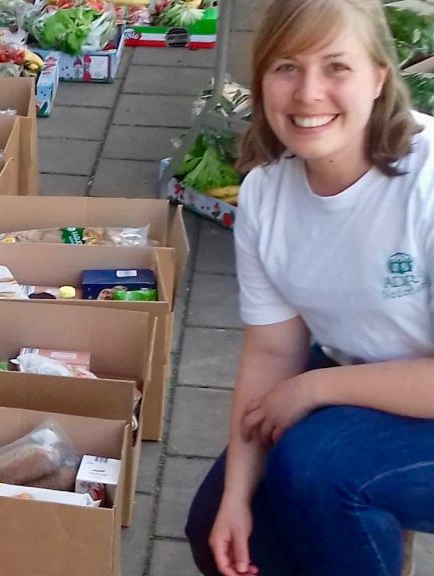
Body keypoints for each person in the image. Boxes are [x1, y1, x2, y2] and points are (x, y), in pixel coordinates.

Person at [183, 0, 434, 574]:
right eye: (286, 66)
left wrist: (316, 389)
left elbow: (299, 385)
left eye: (336, 67)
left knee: (318, 471)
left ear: (379, 78)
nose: (308, 93)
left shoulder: (428, 184)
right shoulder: (267, 197)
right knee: (215, 530)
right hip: (363, 375)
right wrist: (237, 497)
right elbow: (272, 353)